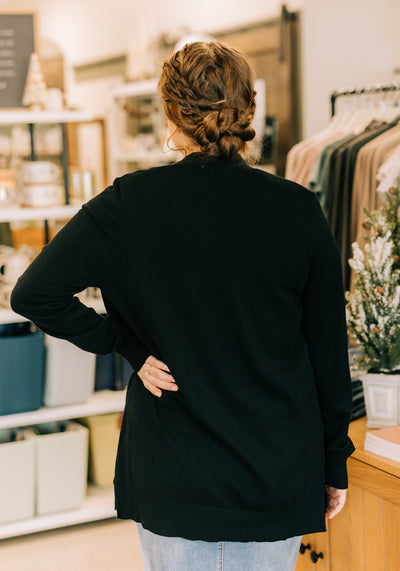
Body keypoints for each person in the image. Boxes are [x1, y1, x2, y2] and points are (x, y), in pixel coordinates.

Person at [10, 41, 355, 571]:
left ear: (173, 113)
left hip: (175, 472)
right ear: (247, 110)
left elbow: (34, 292)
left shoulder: (129, 203)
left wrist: (123, 343)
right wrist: (334, 463)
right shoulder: (297, 209)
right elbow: (329, 355)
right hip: (275, 469)